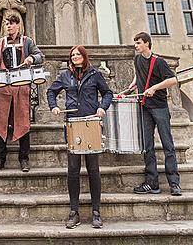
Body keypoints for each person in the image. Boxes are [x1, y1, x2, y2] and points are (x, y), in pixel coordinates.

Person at [47, 45, 113, 229]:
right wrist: (54, 106)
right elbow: (51, 91)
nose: (75, 56)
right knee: (73, 170)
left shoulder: (94, 74)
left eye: (78, 54)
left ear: (84, 57)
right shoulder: (65, 76)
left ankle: (96, 212)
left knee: (93, 169)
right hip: (72, 124)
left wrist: (102, 107)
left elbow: (107, 93)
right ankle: (73, 212)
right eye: (72, 55)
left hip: (90, 123)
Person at [122, 32, 181, 196]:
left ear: (147, 43)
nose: (136, 45)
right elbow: (139, 74)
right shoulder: (137, 59)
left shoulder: (159, 62)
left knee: (168, 145)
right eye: (135, 43)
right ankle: (152, 183)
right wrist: (132, 86)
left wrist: (154, 88)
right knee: (148, 147)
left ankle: (174, 183)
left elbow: (173, 80)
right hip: (145, 108)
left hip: (160, 107)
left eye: (138, 43)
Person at [0, 14, 45, 173]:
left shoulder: (27, 42)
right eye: (7, 24)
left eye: (12, 24)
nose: (9, 27)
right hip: (4, 88)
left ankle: (24, 158)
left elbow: (41, 56)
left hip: (21, 87)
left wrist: (32, 59)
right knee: (2, 121)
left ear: (18, 26)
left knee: (22, 121)